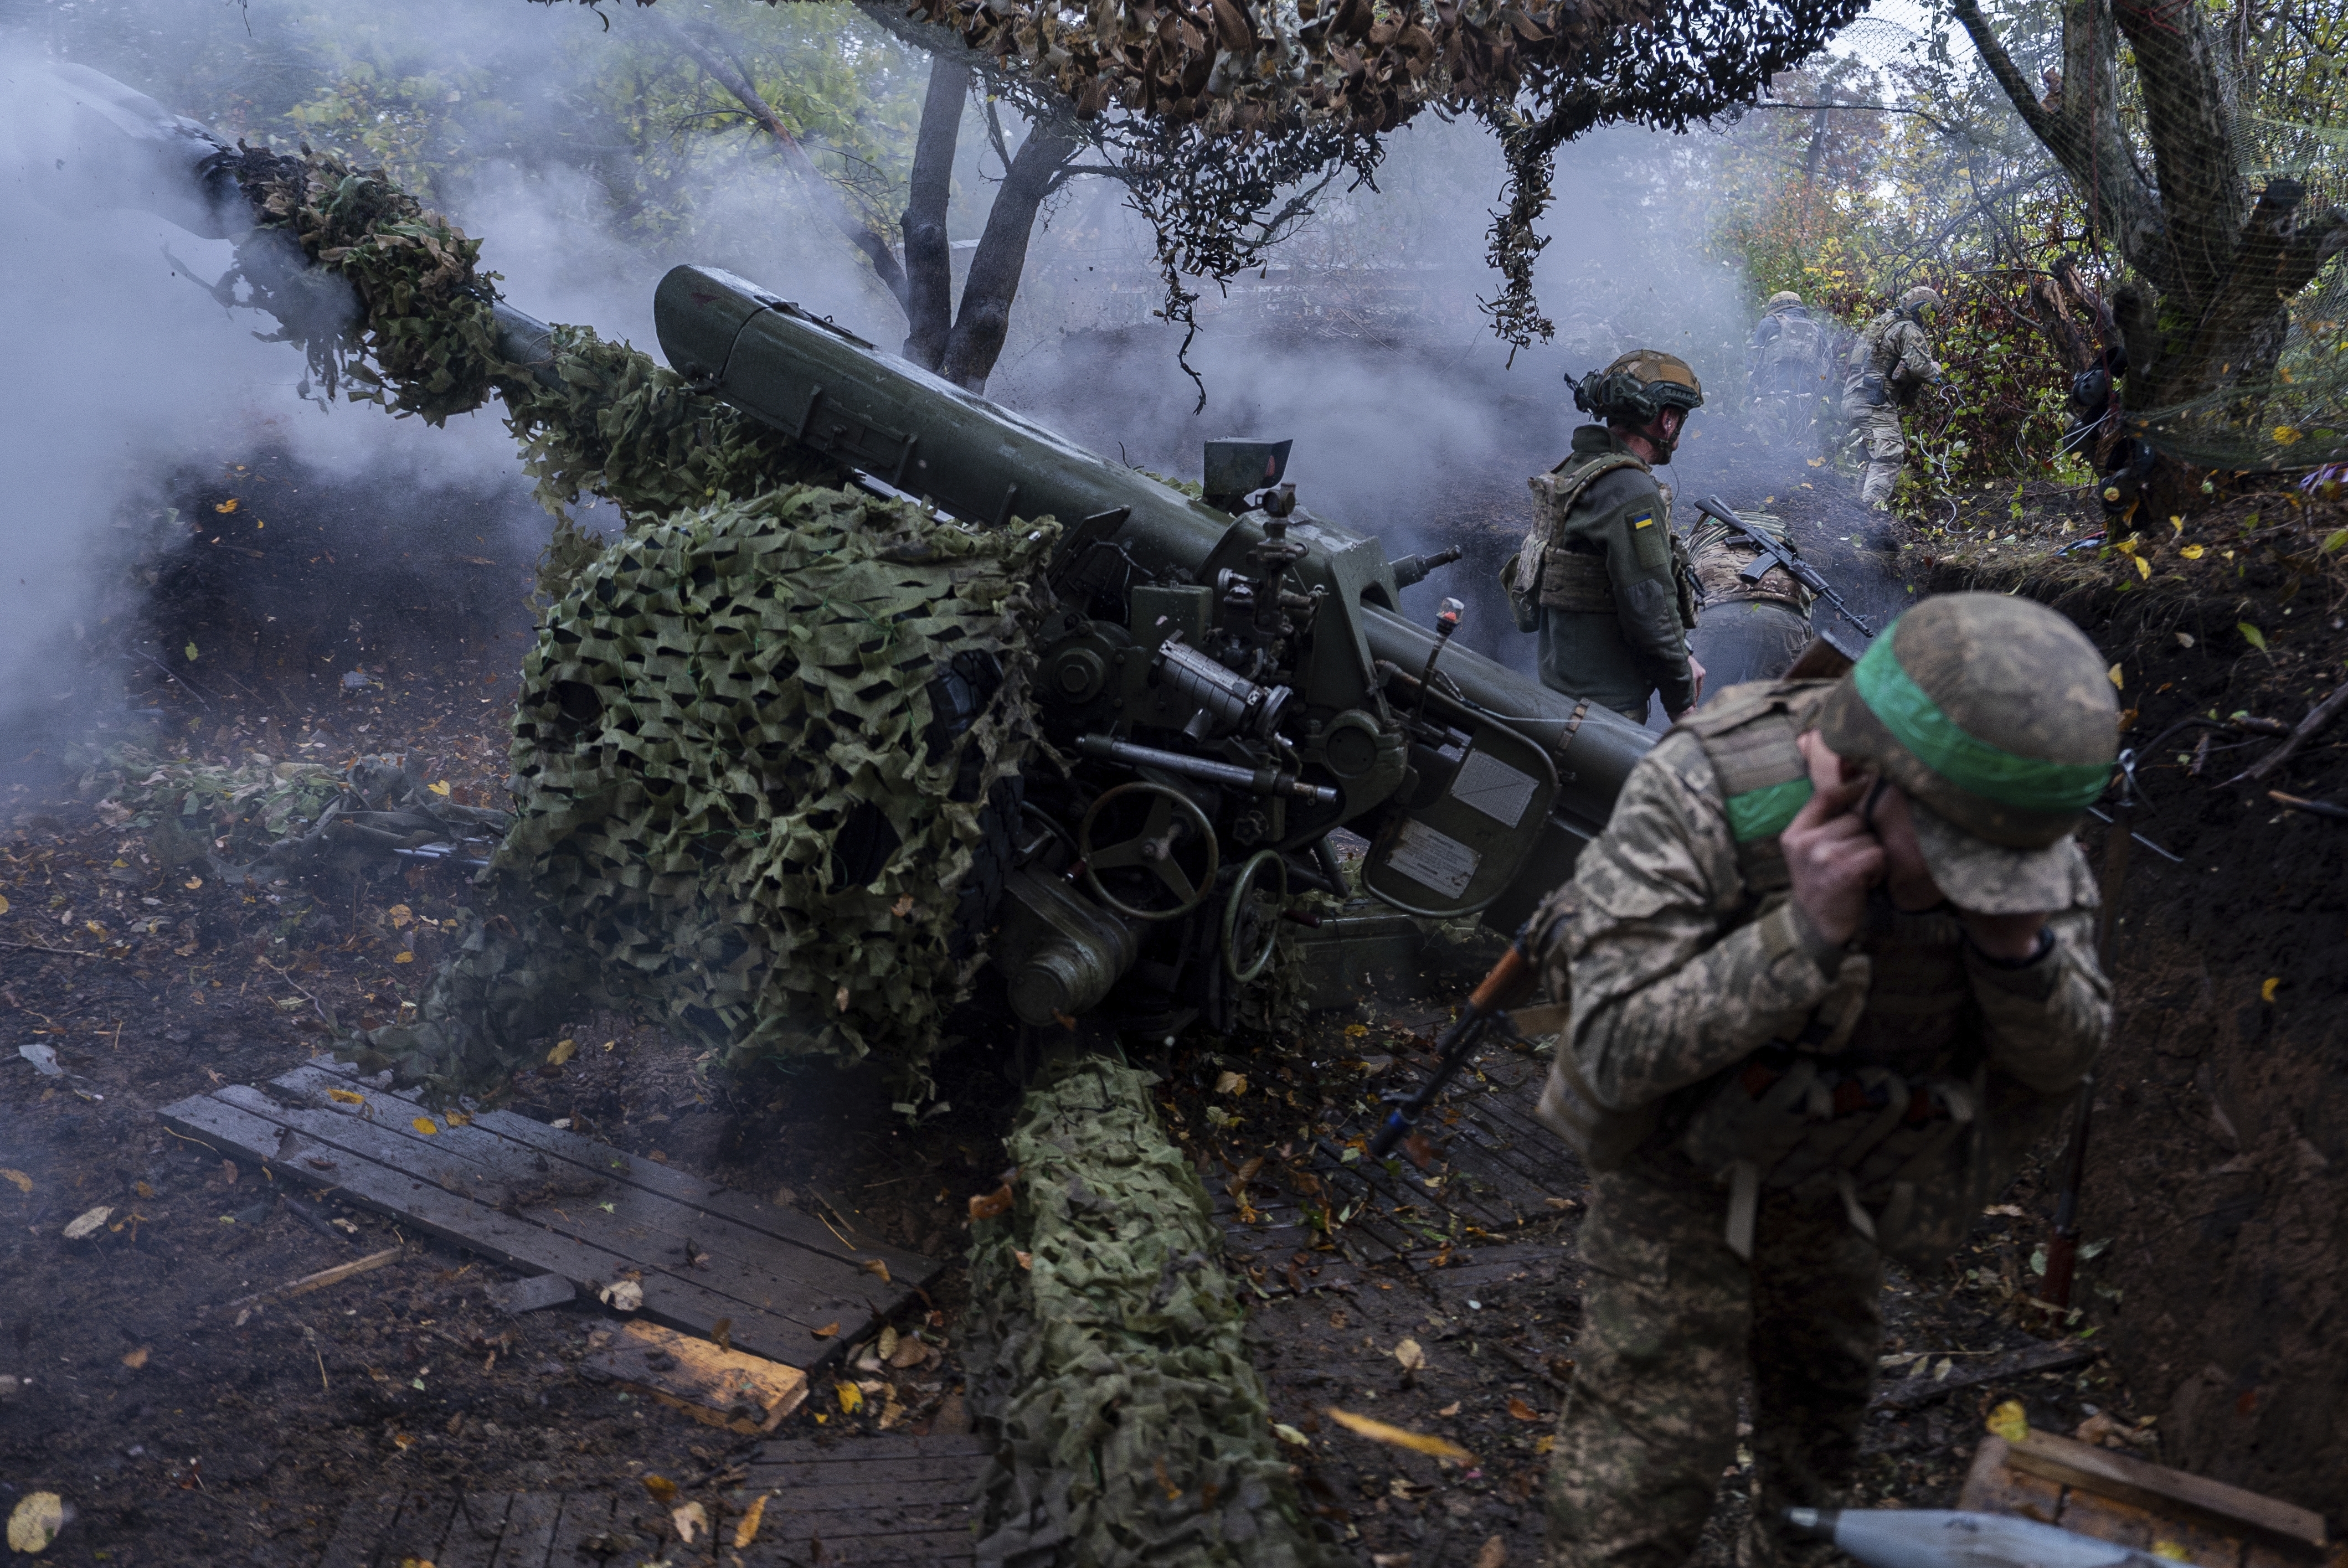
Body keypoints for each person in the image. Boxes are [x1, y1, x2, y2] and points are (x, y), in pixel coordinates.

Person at [1531, 592, 2117, 1568]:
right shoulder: (1706, 787)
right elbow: (1610, 1046)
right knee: (1645, 1473)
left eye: (2006, 869)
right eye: (1962, 862)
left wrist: (2017, 953)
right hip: (1678, 1171)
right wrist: (1798, 939)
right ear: (1866, 773)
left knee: (1823, 1425)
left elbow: (2065, 1058)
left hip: (1844, 1173)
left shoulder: (2009, 819)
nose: (1982, 886)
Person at [1505, 349, 1708, 723]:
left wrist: (1683, 653)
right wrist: (1683, 702)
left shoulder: (1578, 471)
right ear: (1667, 420)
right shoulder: (1630, 490)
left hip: (1560, 694)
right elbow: (1649, 605)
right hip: (1603, 714)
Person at [1682, 506, 1814, 694]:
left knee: (1702, 706)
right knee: (1775, 708)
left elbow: (1677, 595)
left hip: (1715, 614)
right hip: (1782, 618)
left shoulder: (1699, 540)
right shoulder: (1785, 543)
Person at [1843, 286, 1946, 510]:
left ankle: (1852, 514)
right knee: (1889, 456)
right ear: (1923, 311)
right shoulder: (1909, 329)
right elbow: (1920, 367)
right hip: (1875, 400)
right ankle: (1870, 512)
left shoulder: (1880, 324)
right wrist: (1936, 373)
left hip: (1854, 397)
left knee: (1869, 458)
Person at [1745, 292, 1832, 448]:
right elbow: (1827, 369)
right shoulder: (1817, 330)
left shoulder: (1768, 324)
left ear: (1775, 308)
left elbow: (1753, 363)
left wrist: (1749, 394)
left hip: (1770, 397)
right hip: (1805, 401)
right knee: (1802, 452)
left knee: (1761, 449)